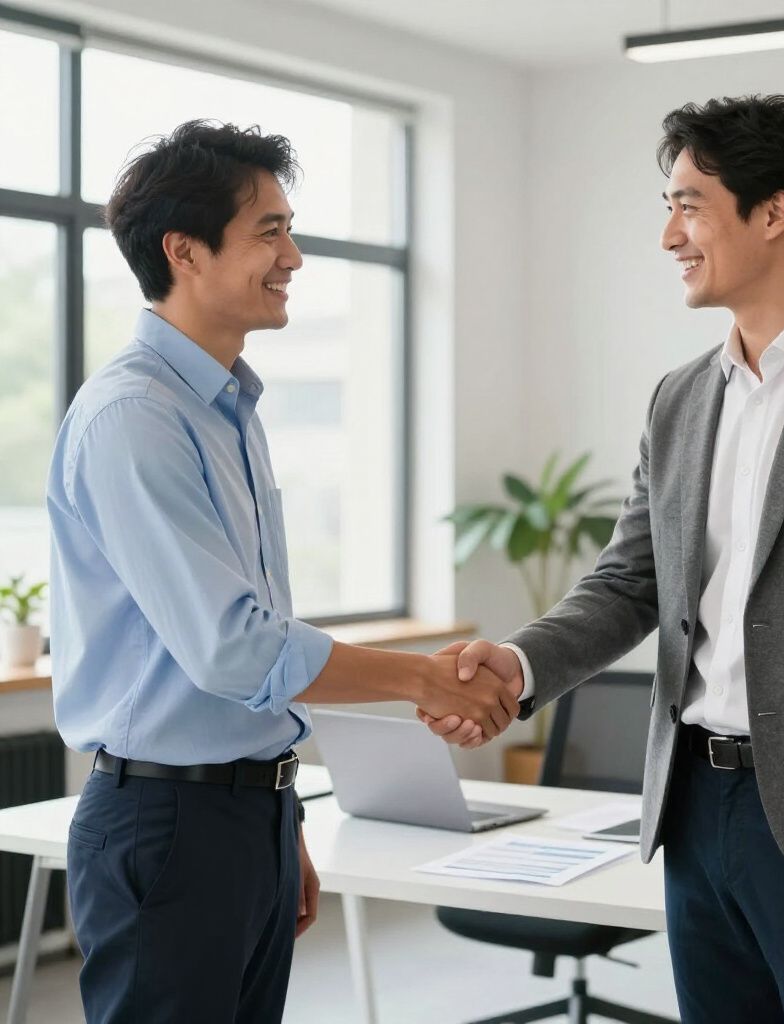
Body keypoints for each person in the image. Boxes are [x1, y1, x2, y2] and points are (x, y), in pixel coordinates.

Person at [422, 94, 784, 1023]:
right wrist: (521, 663)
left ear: (775, 212)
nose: (668, 236)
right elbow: (630, 581)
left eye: (689, 203)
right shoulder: (679, 398)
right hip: (695, 807)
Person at [46, 119, 518, 1024]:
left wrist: (277, 813)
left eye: (288, 229)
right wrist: (423, 677)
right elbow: (236, 649)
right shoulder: (135, 418)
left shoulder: (228, 404)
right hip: (167, 822)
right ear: (183, 251)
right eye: (269, 231)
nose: (293, 256)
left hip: (240, 815)